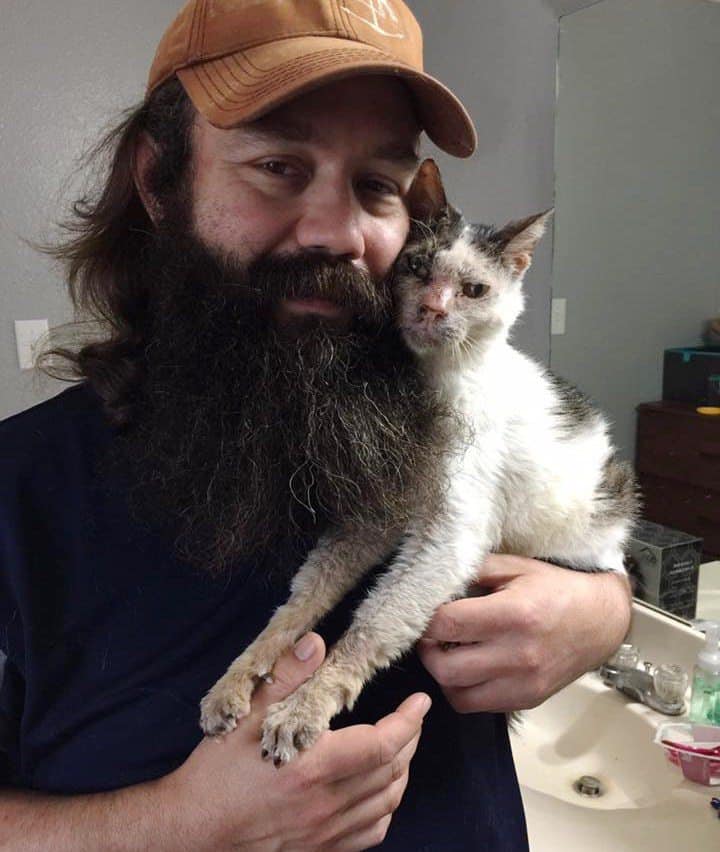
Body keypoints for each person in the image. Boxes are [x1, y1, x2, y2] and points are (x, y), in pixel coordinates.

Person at [0, 1, 632, 849]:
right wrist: (175, 825)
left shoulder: (428, 407)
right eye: (278, 166)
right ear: (158, 181)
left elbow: (556, 513)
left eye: (378, 185)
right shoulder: (19, 489)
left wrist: (604, 610)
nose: (340, 233)